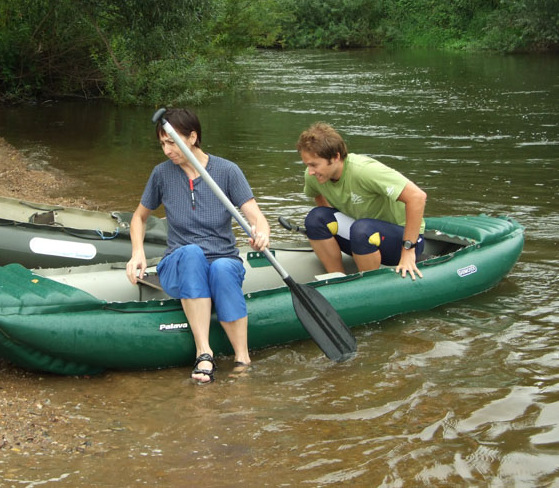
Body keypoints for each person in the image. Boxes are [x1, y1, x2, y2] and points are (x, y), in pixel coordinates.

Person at [126, 108, 270, 385]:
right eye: (163, 144)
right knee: (192, 253)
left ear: (192, 137)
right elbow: (138, 218)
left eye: (173, 142)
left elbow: (256, 217)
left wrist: (262, 234)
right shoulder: (162, 174)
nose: (167, 150)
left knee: (225, 268)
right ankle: (204, 353)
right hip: (179, 262)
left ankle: (242, 358)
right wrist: (137, 253)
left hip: (222, 259)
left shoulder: (227, 171)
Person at [296, 122, 427, 280]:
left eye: (314, 165)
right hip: (363, 234)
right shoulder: (314, 176)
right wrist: (326, 237)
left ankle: (367, 283)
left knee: (362, 229)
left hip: (400, 240)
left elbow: (417, 197)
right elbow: (319, 197)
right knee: (315, 219)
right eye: (307, 165)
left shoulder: (364, 171)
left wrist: (408, 251)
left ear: (335, 157)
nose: (310, 171)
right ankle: (337, 278)